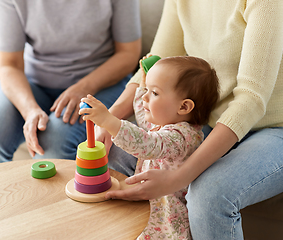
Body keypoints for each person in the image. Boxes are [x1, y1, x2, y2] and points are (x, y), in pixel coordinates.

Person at [95, 0, 283, 239]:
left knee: (210, 194)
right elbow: (156, 63)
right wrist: (111, 118)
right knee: (115, 151)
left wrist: (178, 178)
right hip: (211, 121)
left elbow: (251, 99)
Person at [0, 0, 141, 169]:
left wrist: (84, 87)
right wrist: (29, 110)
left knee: (53, 144)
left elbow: (129, 53)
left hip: (102, 81)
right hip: (33, 81)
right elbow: (8, 64)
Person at [79, 56, 220, 239]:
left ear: (184, 106)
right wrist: (144, 84)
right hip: (151, 212)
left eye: (154, 93)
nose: (145, 97)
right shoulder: (165, 121)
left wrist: (108, 120)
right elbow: (143, 111)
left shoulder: (182, 137)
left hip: (167, 222)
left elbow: (147, 144)